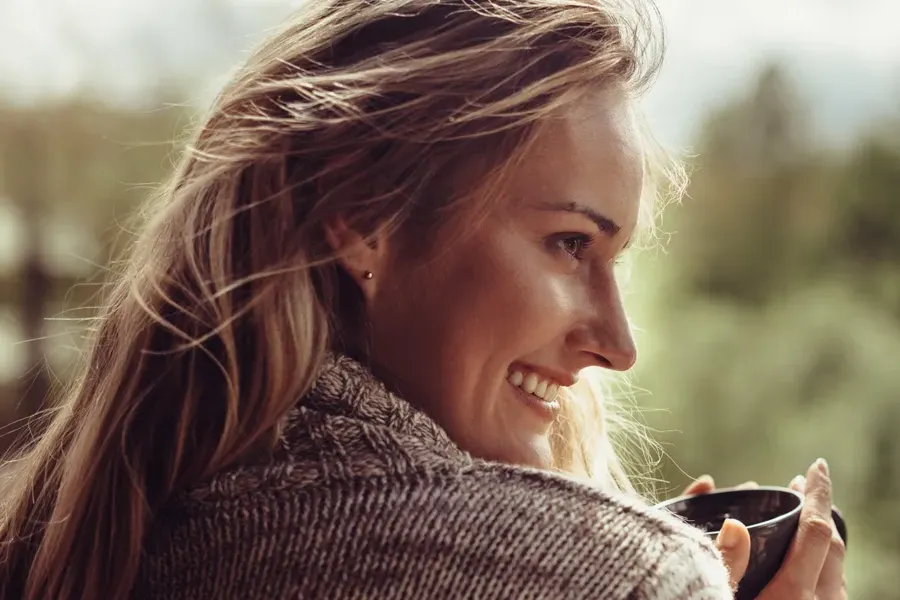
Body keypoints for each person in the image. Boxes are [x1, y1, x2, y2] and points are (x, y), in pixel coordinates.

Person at [0, 0, 845, 598]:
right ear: (364, 218)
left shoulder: (96, 531)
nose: (619, 347)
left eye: (613, 257)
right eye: (569, 243)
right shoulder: (619, 580)